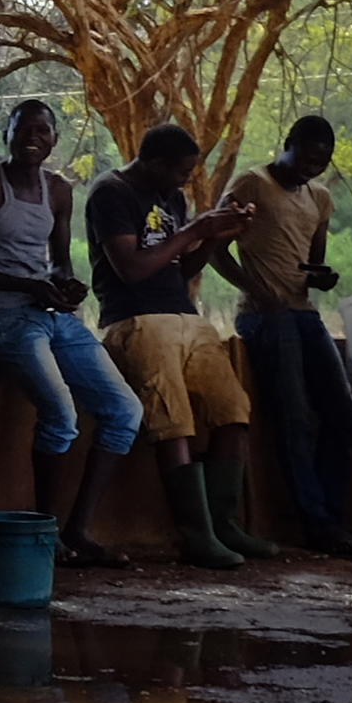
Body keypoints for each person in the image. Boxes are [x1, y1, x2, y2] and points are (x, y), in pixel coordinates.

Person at [0, 99, 142, 566]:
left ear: (55, 139)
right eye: (23, 129)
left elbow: (60, 262)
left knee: (125, 411)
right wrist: (27, 286)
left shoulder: (58, 190)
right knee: (61, 414)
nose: (32, 137)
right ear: (7, 134)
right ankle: (44, 535)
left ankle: (78, 531)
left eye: (43, 131)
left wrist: (66, 286)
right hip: (8, 318)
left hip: (53, 316)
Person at [213, 117, 352, 561]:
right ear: (286, 145)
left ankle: (329, 515)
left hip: (305, 313)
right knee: (294, 417)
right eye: (306, 158)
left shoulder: (320, 197)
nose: (312, 167)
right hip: (265, 317)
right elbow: (214, 246)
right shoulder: (252, 183)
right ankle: (317, 524)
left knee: (343, 411)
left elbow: (313, 266)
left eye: (322, 162)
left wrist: (323, 278)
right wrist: (255, 289)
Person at [85, 123, 280, 571]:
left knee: (232, 408)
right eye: (180, 172)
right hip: (136, 320)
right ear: (153, 163)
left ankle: (224, 523)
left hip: (184, 316)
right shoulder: (110, 192)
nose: (185, 181)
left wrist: (215, 236)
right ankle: (198, 534)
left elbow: (180, 269)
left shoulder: (170, 197)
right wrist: (194, 228)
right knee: (174, 421)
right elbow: (132, 269)